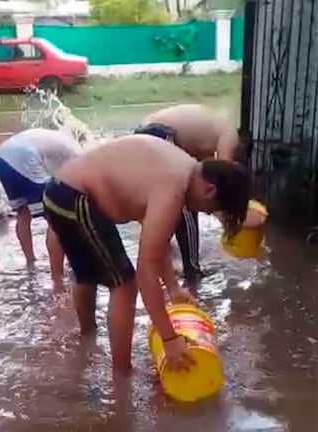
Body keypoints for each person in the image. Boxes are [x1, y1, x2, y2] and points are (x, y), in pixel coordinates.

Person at [43, 134, 251, 373]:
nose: (202, 213)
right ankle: (121, 375)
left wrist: (173, 288)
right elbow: (147, 271)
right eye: (210, 210)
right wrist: (170, 340)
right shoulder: (174, 186)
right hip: (75, 197)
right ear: (210, 190)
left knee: (87, 273)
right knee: (125, 285)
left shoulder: (181, 164)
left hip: (59, 191)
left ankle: (87, 340)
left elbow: (156, 243)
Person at [134, 104, 243, 282]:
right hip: (160, 133)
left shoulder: (205, 140)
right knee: (184, 201)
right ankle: (191, 269)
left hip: (147, 132)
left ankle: (166, 259)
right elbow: (223, 177)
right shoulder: (230, 135)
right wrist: (228, 220)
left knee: (166, 201)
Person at [0, 128, 81, 287]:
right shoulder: (78, 154)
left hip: (0, 158)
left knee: (23, 213)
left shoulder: (56, 139)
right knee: (56, 217)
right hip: (25, 157)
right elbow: (72, 184)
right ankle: (58, 278)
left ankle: (30, 262)